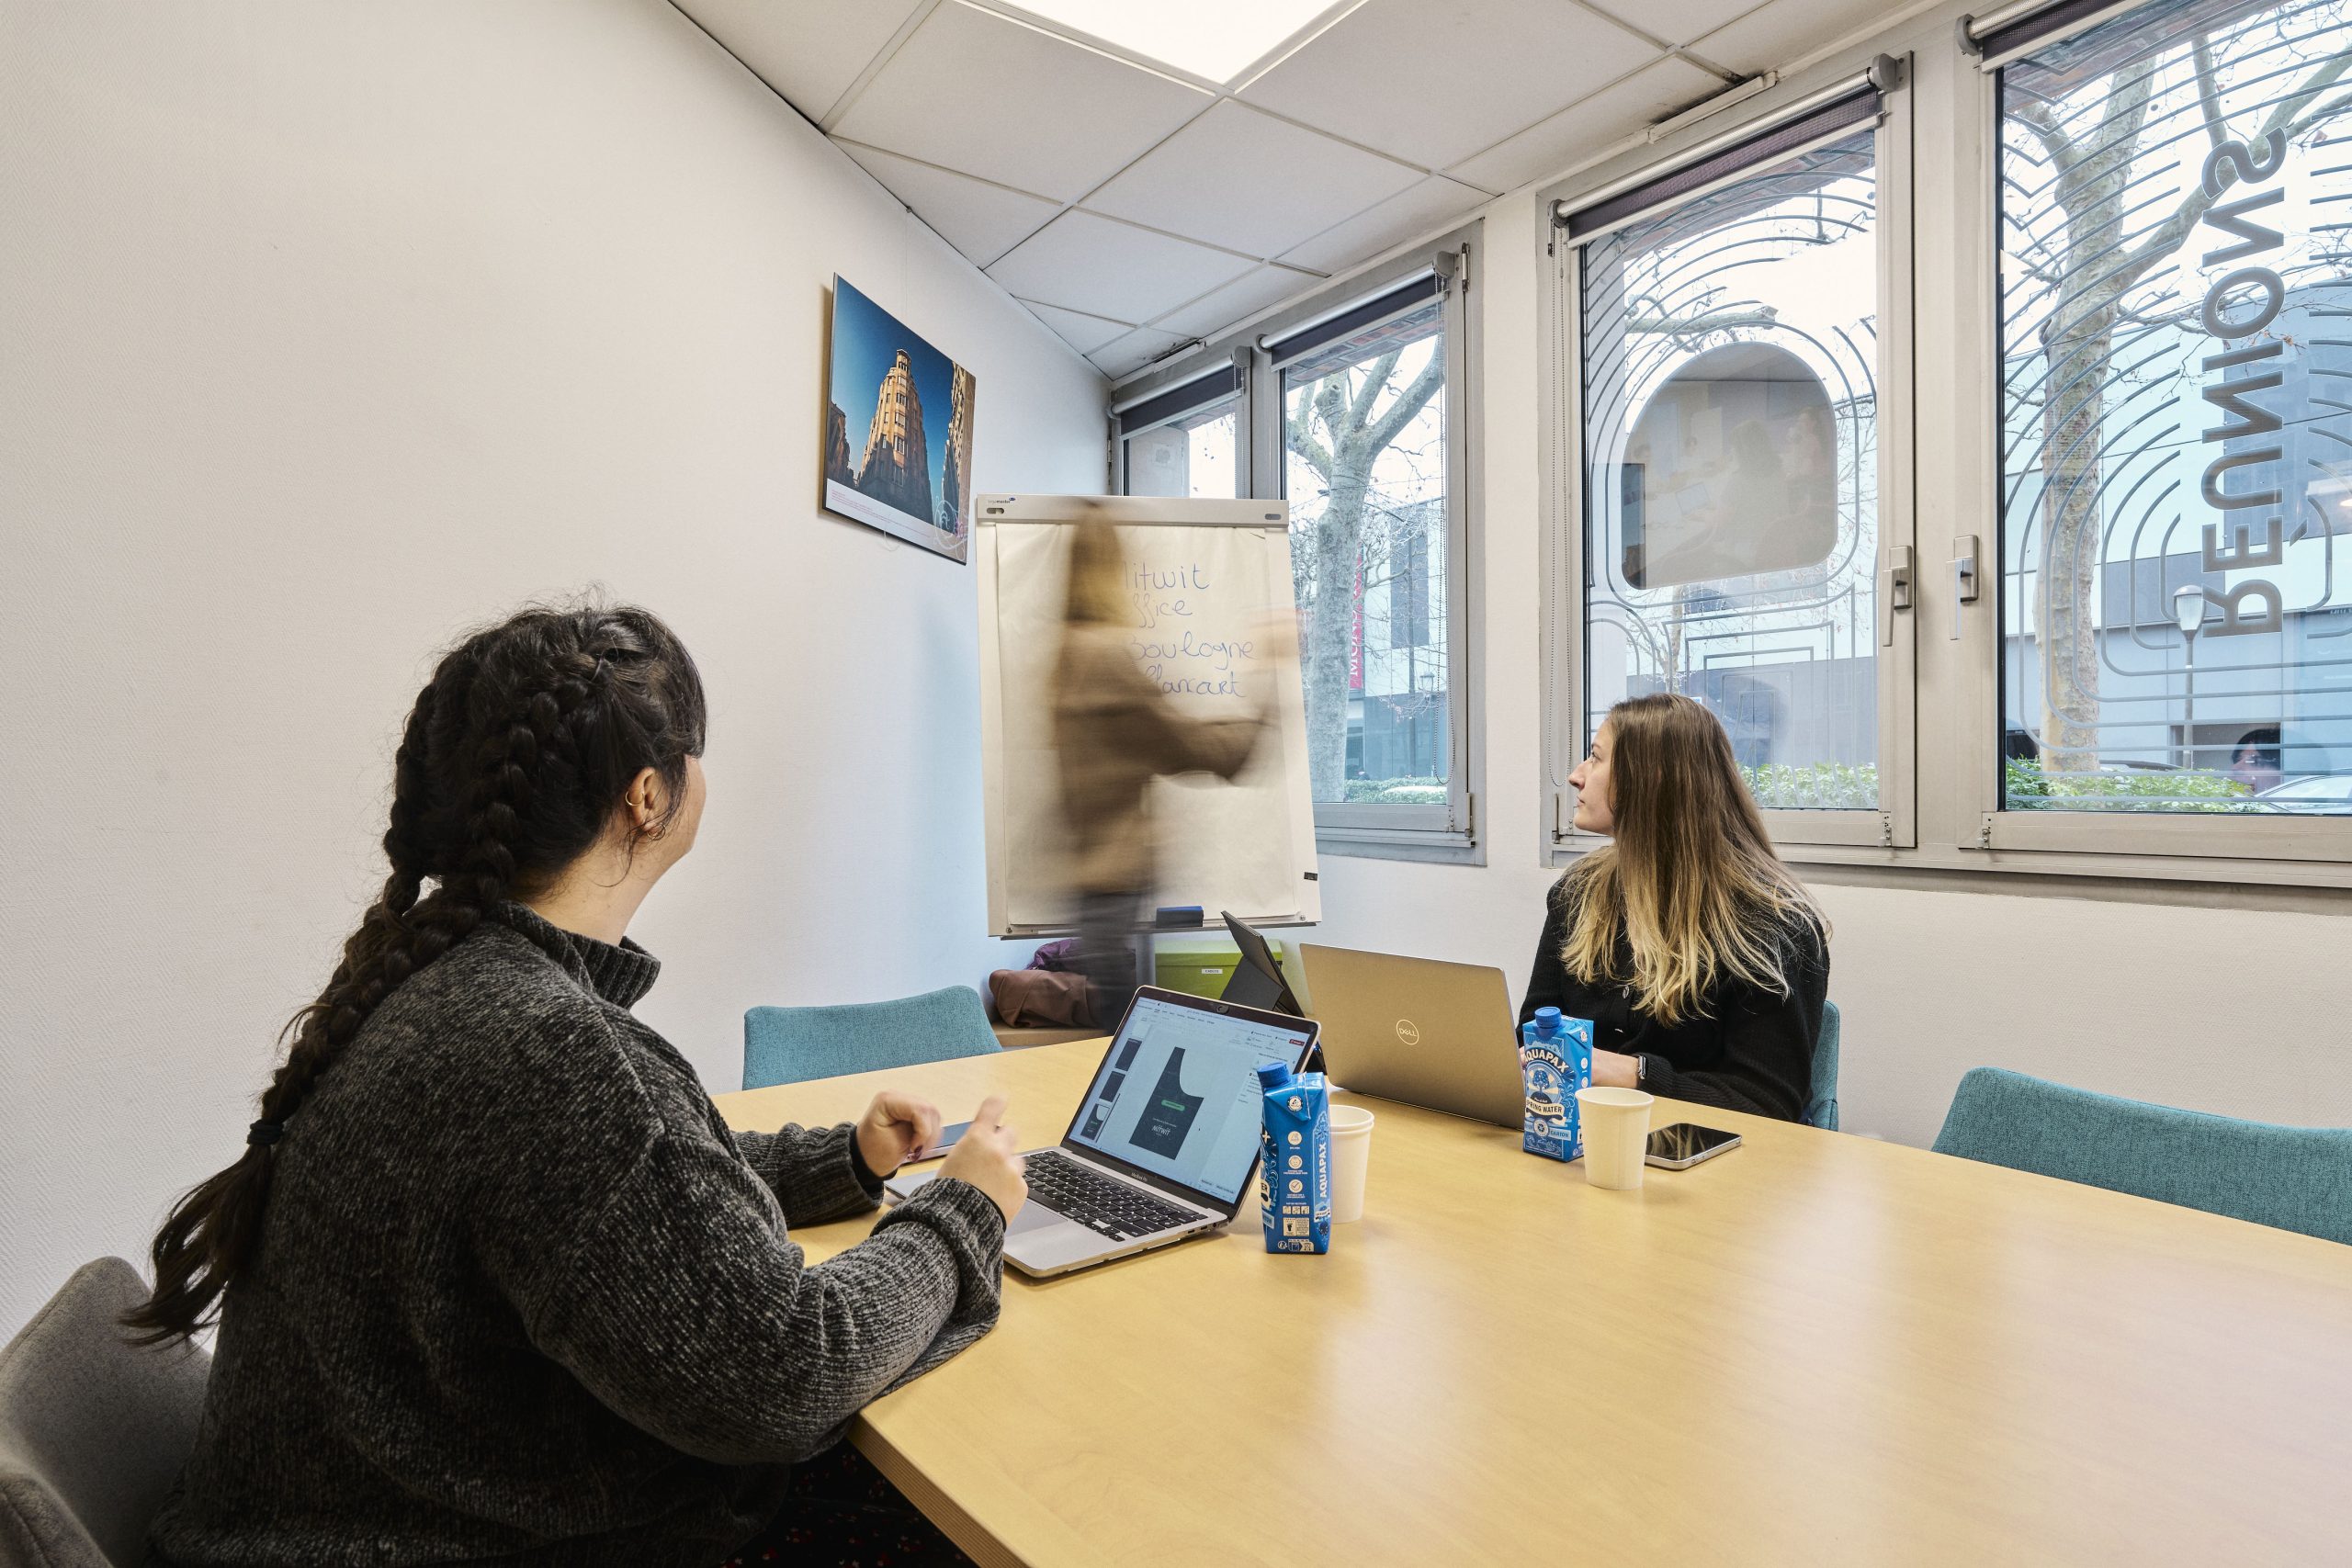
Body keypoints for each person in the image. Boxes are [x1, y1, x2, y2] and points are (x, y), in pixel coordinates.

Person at [128, 604, 1029, 1568]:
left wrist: (839, 1162)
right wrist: (963, 1210)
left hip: (352, 1514)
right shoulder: (542, 1050)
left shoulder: (443, 983)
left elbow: (616, 1201)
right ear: (647, 796)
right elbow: (788, 1372)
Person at [1521, 693, 1829, 1122]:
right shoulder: (1577, 893)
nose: (1576, 776)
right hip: (1580, 1139)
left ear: (1653, 778)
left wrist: (1634, 1074)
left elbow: (1766, 1105)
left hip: (1711, 1164)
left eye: (1595, 758)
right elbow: (1534, 1032)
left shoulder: (1774, 926)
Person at [1051, 514, 1281, 1026]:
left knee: (1119, 1037)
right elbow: (1202, 749)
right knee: (1125, 1044)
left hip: (1094, 886)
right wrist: (1267, 672)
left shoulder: (1067, 652)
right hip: (1113, 889)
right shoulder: (1105, 657)